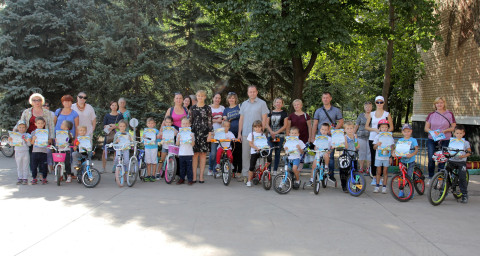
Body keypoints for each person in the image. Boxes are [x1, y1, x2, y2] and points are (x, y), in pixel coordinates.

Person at [238, 86, 269, 180]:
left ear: (257, 92)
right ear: (248, 93)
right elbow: (241, 119)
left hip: (258, 134)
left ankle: (258, 174)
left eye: (254, 92)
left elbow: (264, 118)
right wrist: (239, 133)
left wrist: (262, 132)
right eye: (250, 92)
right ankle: (245, 176)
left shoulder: (262, 103)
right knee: (246, 155)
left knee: (257, 155)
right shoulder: (244, 104)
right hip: (246, 133)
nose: (252, 93)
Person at [311, 92, 344, 182]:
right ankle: (317, 174)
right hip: (320, 137)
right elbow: (315, 124)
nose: (325, 99)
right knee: (318, 156)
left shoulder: (336, 110)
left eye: (327, 97)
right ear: (322, 99)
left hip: (330, 137)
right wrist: (312, 137)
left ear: (330, 98)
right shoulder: (318, 111)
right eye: (324, 98)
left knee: (330, 156)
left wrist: (333, 130)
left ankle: (331, 175)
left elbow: (341, 122)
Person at [424, 97, 456, 185]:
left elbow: (453, 127)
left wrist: (445, 131)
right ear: (435, 104)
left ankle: (440, 180)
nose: (439, 105)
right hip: (432, 139)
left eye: (441, 103)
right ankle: (431, 177)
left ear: (444, 103)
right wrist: (432, 132)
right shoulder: (431, 114)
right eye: (437, 103)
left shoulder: (449, 114)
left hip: (445, 139)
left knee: (442, 160)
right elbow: (426, 128)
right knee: (431, 158)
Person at [365, 96, 393, 186]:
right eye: (378, 102)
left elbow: (392, 127)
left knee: (383, 157)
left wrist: (384, 133)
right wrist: (375, 130)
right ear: (375, 103)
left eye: (381, 102)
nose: (379, 104)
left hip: (384, 140)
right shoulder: (372, 114)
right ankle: (374, 177)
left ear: (384, 103)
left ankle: (380, 178)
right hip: (373, 138)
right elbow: (366, 127)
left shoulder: (387, 114)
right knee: (374, 158)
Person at [189, 90, 212, 183]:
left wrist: (210, 134)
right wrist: (189, 135)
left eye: (202, 96)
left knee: (203, 154)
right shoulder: (192, 108)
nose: (200, 97)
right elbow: (190, 122)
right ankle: (194, 176)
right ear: (196, 97)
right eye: (198, 96)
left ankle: (201, 176)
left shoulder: (208, 108)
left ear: (205, 97)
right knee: (195, 155)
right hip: (194, 133)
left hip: (205, 133)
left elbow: (210, 122)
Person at [392, 123, 418, 198]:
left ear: (411, 131)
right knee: (401, 176)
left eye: (408, 131)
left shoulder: (413, 140)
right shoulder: (400, 140)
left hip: (411, 161)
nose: (407, 133)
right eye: (405, 131)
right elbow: (396, 149)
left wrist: (412, 154)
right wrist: (393, 153)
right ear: (402, 132)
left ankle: (411, 191)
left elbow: (416, 150)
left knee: (409, 176)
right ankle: (401, 190)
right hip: (402, 160)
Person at [447, 125, 471, 203]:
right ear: (454, 133)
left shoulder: (466, 142)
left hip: (461, 162)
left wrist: (464, 155)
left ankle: (464, 195)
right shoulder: (452, 141)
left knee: (462, 178)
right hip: (451, 160)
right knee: (445, 172)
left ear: (463, 133)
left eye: (460, 133)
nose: (459, 135)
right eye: (457, 133)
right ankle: (443, 190)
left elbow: (469, 152)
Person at [246, 120, 272, 187]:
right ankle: (249, 181)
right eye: (256, 127)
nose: (257, 128)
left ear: (261, 127)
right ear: (253, 128)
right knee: (252, 166)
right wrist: (256, 148)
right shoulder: (251, 134)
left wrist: (267, 146)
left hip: (262, 150)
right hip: (255, 151)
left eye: (259, 127)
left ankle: (263, 170)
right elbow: (250, 144)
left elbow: (265, 143)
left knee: (269, 159)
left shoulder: (263, 134)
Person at [223, 92, 242, 180]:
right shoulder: (226, 109)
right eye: (230, 98)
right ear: (228, 99)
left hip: (239, 132)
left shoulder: (239, 107)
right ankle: (233, 170)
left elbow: (242, 116)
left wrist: (233, 118)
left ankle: (239, 171)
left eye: (233, 98)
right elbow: (225, 120)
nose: (231, 99)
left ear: (236, 99)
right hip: (229, 134)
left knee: (239, 152)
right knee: (232, 152)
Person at [266, 98, 288, 175]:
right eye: (277, 102)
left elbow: (285, 125)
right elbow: (267, 124)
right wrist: (271, 132)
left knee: (277, 153)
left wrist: (276, 132)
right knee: (269, 151)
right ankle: (268, 170)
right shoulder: (270, 112)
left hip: (280, 136)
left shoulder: (284, 113)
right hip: (271, 135)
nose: (278, 104)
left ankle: (275, 170)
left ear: (282, 104)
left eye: (280, 102)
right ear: (274, 103)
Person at [102, 101, 124, 172]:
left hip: (117, 136)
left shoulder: (120, 116)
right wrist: (110, 126)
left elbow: (122, 126)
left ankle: (115, 167)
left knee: (116, 152)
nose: (114, 107)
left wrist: (115, 126)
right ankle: (103, 168)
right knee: (104, 151)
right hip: (109, 136)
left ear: (117, 106)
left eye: (115, 105)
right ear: (110, 106)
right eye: (112, 105)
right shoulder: (107, 116)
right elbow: (104, 126)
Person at [372, 119, 392, 194]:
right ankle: (377, 186)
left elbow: (392, 146)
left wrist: (391, 157)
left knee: (385, 172)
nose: (384, 129)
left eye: (386, 127)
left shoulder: (390, 136)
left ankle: (384, 187)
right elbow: (374, 147)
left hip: (386, 157)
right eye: (382, 127)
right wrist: (377, 144)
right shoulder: (377, 136)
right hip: (379, 157)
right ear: (379, 128)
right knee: (378, 172)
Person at [29, 117, 50, 185]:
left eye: (41, 123)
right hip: (35, 152)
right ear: (35, 124)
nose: (40, 124)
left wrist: (48, 141)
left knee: (44, 166)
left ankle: (44, 178)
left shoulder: (46, 132)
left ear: (44, 124)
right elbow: (31, 143)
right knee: (34, 166)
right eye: (38, 123)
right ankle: (34, 178)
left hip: (43, 152)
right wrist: (33, 139)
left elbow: (49, 142)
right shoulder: (33, 132)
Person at [208, 93, 225, 176]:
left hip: (221, 133)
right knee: (213, 153)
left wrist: (222, 121)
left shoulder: (222, 108)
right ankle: (211, 168)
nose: (217, 99)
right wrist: (216, 121)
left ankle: (216, 170)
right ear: (213, 98)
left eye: (219, 98)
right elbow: (206, 120)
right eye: (216, 98)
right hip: (212, 132)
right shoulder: (209, 108)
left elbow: (225, 119)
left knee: (219, 152)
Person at [9, 121, 31, 185]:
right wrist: (10, 140)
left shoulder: (27, 135)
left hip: (25, 151)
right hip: (18, 152)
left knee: (25, 166)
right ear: (18, 128)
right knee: (19, 166)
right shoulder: (15, 135)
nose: (21, 129)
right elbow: (11, 144)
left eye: (23, 127)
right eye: (20, 127)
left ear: (26, 128)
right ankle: (20, 177)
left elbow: (29, 144)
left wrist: (27, 141)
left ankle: (25, 178)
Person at [340, 121, 360, 193]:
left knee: (355, 170)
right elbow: (346, 147)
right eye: (348, 129)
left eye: (351, 128)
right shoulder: (345, 137)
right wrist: (345, 139)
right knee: (344, 172)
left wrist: (355, 139)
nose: (350, 130)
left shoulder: (355, 136)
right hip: (346, 155)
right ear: (345, 130)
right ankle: (344, 186)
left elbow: (357, 146)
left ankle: (357, 185)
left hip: (353, 155)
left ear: (354, 129)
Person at [176, 117, 195, 185]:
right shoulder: (179, 134)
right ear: (181, 125)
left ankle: (190, 179)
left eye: (187, 123)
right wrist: (178, 139)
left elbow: (193, 144)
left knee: (189, 168)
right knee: (182, 168)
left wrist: (192, 138)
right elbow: (177, 144)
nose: (185, 125)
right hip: (181, 153)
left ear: (189, 124)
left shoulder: (191, 134)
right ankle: (182, 179)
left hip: (189, 153)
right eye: (183, 124)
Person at [354, 102, 372, 174]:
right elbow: (357, 125)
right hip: (361, 136)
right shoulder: (361, 115)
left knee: (369, 153)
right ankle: (361, 167)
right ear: (364, 107)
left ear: (371, 107)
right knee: (361, 152)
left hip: (371, 136)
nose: (368, 108)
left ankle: (368, 168)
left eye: (369, 107)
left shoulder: (373, 115)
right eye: (366, 107)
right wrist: (353, 134)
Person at [143, 118, 161, 182]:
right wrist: (144, 138)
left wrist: (157, 137)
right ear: (147, 124)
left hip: (154, 148)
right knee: (148, 162)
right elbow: (143, 141)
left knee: (154, 161)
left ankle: (153, 175)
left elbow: (159, 140)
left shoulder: (156, 131)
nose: (150, 125)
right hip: (147, 147)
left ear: (154, 124)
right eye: (149, 123)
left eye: (152, 123)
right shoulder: (145, 131)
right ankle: (148, 175)